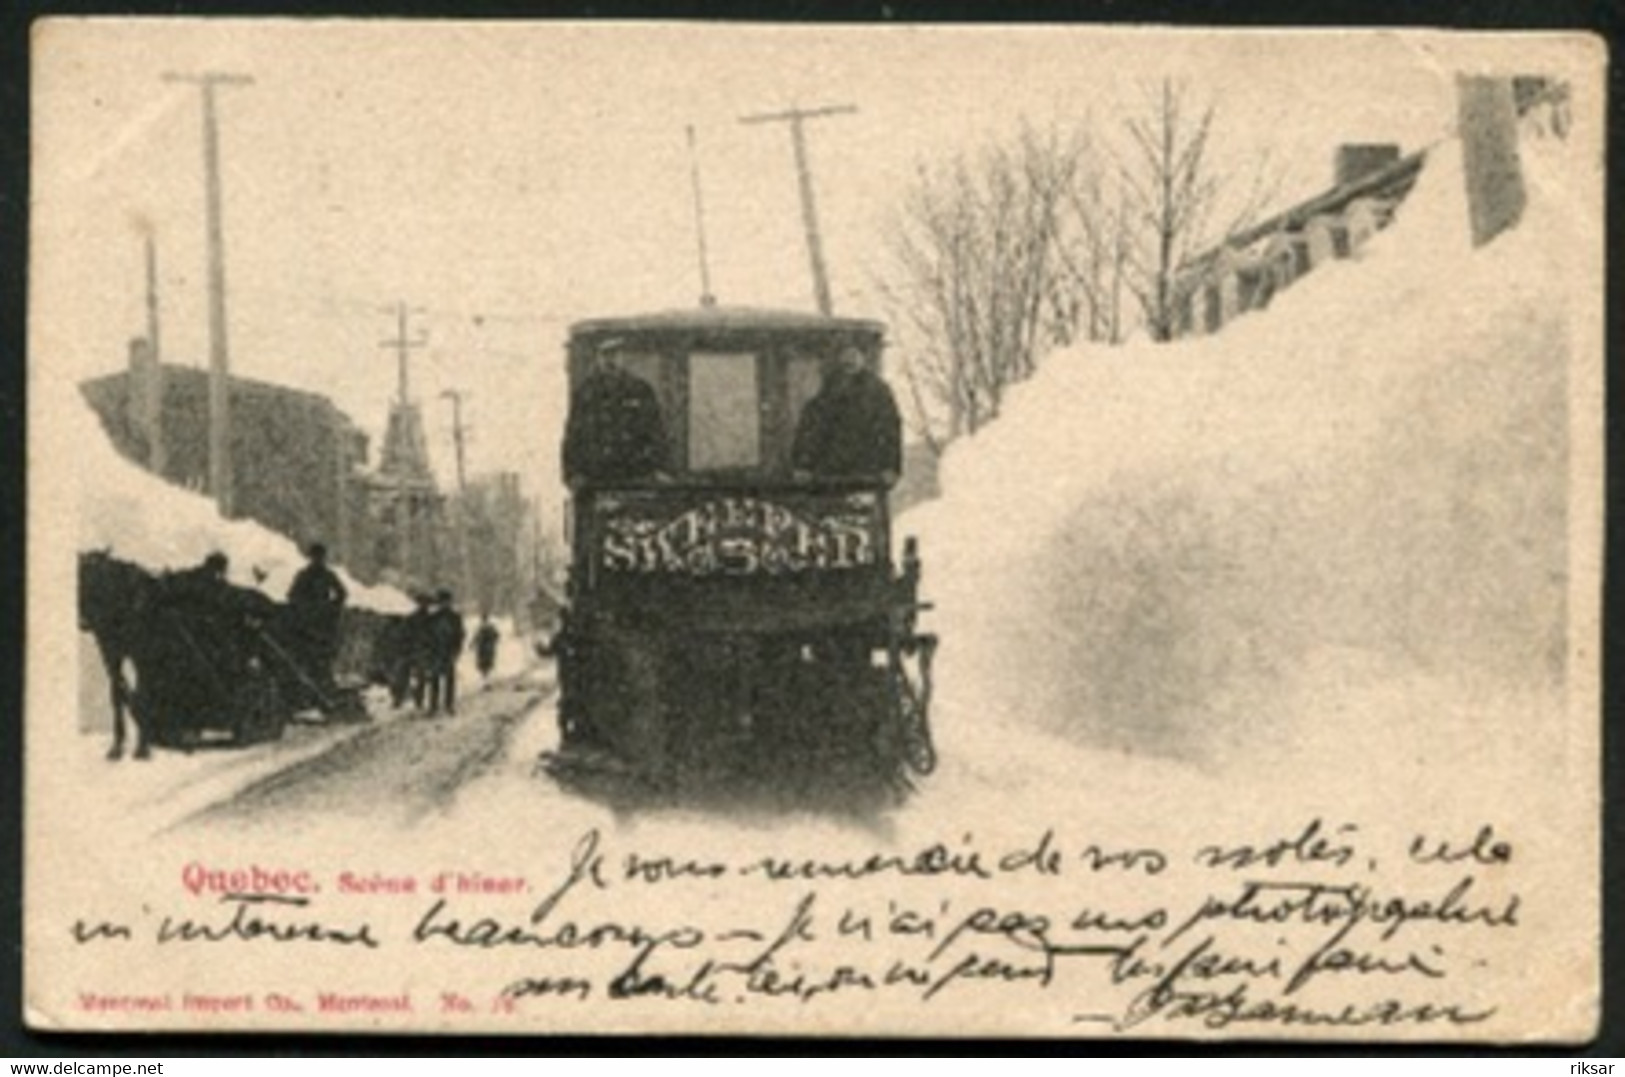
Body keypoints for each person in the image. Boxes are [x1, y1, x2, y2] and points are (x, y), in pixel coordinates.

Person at [562, 338, 669, 487]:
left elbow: (656, 431)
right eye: (605, 355)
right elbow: (573, 435)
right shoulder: (585, 393)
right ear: (598, 358)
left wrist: (660, 468)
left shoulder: (640, 390)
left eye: (615, 354)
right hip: (594, 478)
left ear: (623, 357)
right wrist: (572, 473)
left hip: (634, 477)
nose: (610, 360)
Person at [791, 344, 902, 483]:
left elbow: (890, 428)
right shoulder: (826, 392)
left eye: (854, 354)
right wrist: (803, 465)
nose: (850, 360)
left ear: (863, 358)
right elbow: (811, 428)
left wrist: (890, 466)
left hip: (867, 471)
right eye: (846, 355)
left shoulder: (877, 392)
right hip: (828, 473)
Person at [286, 542, 348, 695]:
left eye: (319, 557)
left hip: (313, 623)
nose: (318, 560)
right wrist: (331, 608)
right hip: (316, 623)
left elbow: (292, 596)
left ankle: (318, 686)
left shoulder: (310, 575)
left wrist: (329, 609)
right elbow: (341, 594)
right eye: (317, 557)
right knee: (318, 656)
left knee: (315, 656)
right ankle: (320, 686)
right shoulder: (322, 575)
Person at [424, 589, 467, 716]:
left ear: (450, 602)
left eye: (446, 601)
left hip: (448, 652)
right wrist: (428, 651)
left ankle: (449, 705)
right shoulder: (433, 618)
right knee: (434, 680)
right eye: (442, 602)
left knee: (449, 680)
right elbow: (428, 636)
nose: (444, 604)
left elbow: (460, 635)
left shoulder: (455, 618)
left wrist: (456, 651)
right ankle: (433, 706)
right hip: (436, 652)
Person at [472, 614, 500, 688]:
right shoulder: (491, 627)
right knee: (487, 665)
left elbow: (476, 637)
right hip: (488, 649)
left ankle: (485, 681)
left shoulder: (480, 628)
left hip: (482, 649)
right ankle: (487, 681)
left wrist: (472, 644)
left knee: (484, 666)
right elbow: (497, 636)